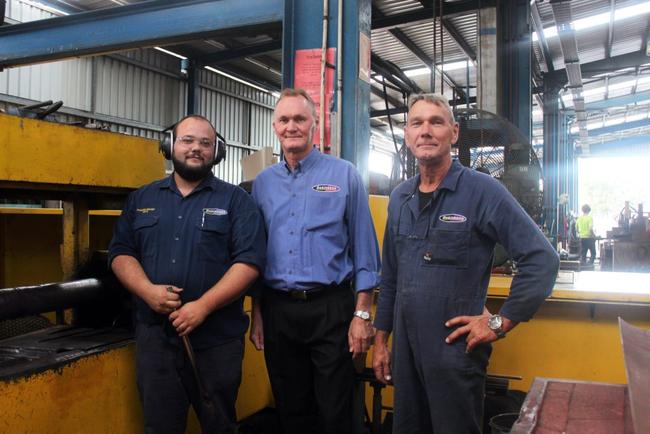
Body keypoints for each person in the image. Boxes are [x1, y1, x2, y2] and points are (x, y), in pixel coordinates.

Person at [372, 94, 559, 434]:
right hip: (406, 354)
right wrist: (381, 340)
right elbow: (391, 276)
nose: (426, 131)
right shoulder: (400, 198)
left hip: (454, 355)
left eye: (436, 122)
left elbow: (542, 259)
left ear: (454, 133)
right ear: (407, 135)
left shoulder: (483, 191)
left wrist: (501, 322)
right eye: (417, 123)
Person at [108, 114, 266, 434]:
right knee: (160, 426)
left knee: (219, 424)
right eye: (188, 140)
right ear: (171, 145)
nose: (196, 149)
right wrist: (148, 291)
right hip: (157, 341)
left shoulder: (237, 201)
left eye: (205, 143)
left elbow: (249, 262)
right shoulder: (142, 199)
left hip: (217, 342)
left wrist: (204, 306)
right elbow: (121, 253)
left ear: (216, 152)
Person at [249, 88, 381, 434]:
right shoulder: (262, 184)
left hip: (331, 309)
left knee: (336, 411)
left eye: (300, 118)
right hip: (278, 311)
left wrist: (362, 315)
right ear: (275, 126)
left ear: (315, 124)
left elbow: (365, 249)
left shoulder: (344, 175)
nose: (291, 126)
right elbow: (256, 253)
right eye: (284, 119)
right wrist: (257, 312)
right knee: (291, 410)